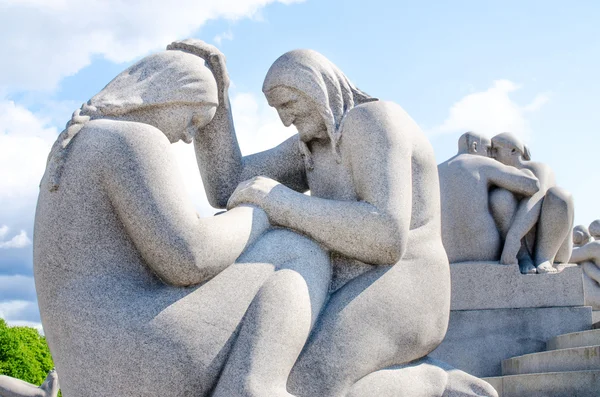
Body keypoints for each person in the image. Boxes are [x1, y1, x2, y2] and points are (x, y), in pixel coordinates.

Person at [34, 41, 330, 397]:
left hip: (91, 368)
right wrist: (262, 208)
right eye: (192, 120)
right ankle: (254, 387)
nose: (188, 137)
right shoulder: (132, 140)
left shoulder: (80, 145)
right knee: (295, 249)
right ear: (163, 96)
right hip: (138, 353)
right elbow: (190, 257)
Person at [194, 48, 451, 397]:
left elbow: (386, 236)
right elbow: (228, 185)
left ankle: (437, 384)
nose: (286, 120)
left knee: (308, 382)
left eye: (288, 105)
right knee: (274, 371)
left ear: (314, 88)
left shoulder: (373, 121)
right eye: (277, 110)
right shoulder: (312, 143)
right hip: (344, 280)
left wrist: (281, 201)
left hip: (406, 281)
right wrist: (217, 101)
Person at [437, 132, 540, 264]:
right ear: (475, 146)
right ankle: (522, 255)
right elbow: (532, 185)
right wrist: (527, 171)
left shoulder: (437, 170)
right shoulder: (481, 162)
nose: (491, 155)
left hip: (448, 254)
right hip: (484, 249)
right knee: (503, 197)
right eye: (488, 149)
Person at [490, 133, 574, 274]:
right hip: (521, 246)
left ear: (513, 150)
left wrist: (513, 237)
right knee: (499, 197)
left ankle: (544, 258)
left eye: (496, 149)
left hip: (553, 241)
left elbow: (537, 197)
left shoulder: (538, 168)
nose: (491, 155)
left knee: (559, 196)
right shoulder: (498, 176)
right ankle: (523, 256)